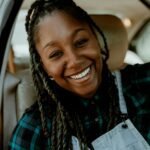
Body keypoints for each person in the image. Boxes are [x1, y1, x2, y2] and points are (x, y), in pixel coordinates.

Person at [9, 0, 150, 149]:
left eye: (81, 42)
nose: (74, 61)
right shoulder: (35, 127)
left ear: (96, 41)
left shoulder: (140, 85)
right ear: (44, 67)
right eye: (56, 54)